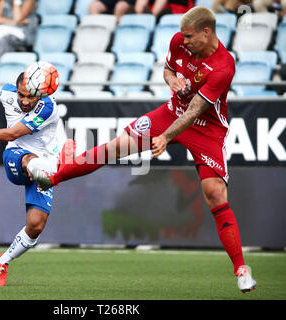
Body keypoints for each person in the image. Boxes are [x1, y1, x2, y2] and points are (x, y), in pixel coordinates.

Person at [28, 6, 257, 293]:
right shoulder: (179, 41)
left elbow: (196, 110)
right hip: (170, 113)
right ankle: (52, 178)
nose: (182, 40)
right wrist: (173, 80)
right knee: (112, 148)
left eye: (188, 36)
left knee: (215, 194)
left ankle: (241, 269)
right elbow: (168, 70)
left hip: (206, 129)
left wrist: (165, 138)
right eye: (182, 36)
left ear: (206, 32)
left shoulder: (224, 65)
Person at [0, 69, 67, 287]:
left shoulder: (48, 107)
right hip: (16, 156)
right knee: (32, 161)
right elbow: (13, 139)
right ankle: (53, 172)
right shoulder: (7, 93)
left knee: (36, 225)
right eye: (21, 95)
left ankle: (3, 260)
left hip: (42, 163)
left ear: (41, 95)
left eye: (30, 96)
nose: (25, 101)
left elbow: (12, 132)